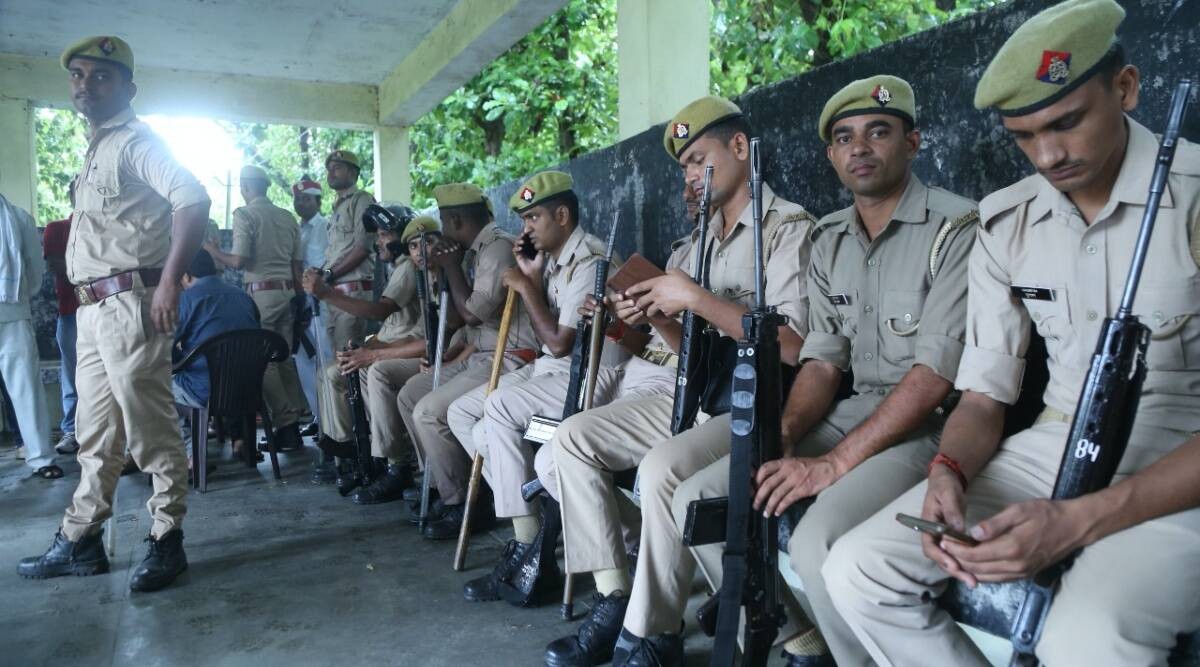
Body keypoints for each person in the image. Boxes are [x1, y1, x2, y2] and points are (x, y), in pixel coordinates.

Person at [823, 2, 1200, 665]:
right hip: (1056, 441)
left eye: (1066, 122)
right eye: (1024, 135)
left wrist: (1078, 520)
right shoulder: (1007, 222)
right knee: (857, 568)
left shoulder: (1193, 196)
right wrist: (949, 471)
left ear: (1125, 88)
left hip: (1182, 456)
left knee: (1087, 635)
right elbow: (982, 397)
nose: (1047, 155)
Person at [663, 76, 977, 666]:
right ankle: (802, 642)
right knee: (699, 499)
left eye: (878, 132)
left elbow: (933, 377)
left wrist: (830, 463)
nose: (860, 148)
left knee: (814, 542)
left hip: (931, 422)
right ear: (831, 155)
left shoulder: (955, 228)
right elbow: (824, 362)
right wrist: (785, 433)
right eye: (845, 138)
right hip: (849, 411)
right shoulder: (831, 238)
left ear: (912, 143)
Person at [544, 96, 816, 667]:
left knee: (661, 473)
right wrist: (650, 315)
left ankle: (654, 631)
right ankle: (621, 602)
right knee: (571, 440)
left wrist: (691, 296)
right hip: (700, 392)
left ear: (739, 148)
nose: (691, 175)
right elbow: (689, 353)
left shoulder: (788, 230)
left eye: (698, 158)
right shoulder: (695, 245)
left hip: (760, 400)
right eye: (685, 166)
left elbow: (794, 348)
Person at [18, 36, 211, 593]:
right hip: (92, 310)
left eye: (101, 76)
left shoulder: (135, 143)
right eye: (78, 75)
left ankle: (167, 536)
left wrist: (169, 281)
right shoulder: (95, 149)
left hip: (130, 304)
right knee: (94, 431)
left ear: (129, 88)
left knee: (150, 426)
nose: (85, 85)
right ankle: (81, 538)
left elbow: (192, 198)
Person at [445, 171, 620, 602]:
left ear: (562, 216)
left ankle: (526, 548)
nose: (526, 229)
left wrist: (525, 286)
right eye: (524, 219)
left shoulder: (591, 260)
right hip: (552, 370)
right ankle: (536, 526)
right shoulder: (553, 260)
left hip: (591, 376)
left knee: (499, 407)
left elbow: (560, 343)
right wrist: (533, 275)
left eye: (534, 218)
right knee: (467, 417)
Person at [395, 182, 538, 540]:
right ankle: (441, 482)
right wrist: (447, 269)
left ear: (456, 220)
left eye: (444, 222)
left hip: (510, 357)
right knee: (411, 394)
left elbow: (473, 314)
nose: (443, 229)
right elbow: (460, 319)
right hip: (478, 353)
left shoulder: (497, 248)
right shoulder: (472, 251)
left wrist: (452, 267)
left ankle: (465, 502)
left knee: (429, 412)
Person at [303, 208, 432, 503]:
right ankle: (353, 452)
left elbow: (379, 311)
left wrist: (326, 294)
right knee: (333, 371)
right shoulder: (397, 267)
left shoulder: (408, 268)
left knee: (366, 371)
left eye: (385, 235)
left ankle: (390, 462)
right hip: (393, 343)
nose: (379, 242)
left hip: (407, 349)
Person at [204, 165, 306, 451]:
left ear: (246, 187)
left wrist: (212, 251)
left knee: (263, 360)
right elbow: (297, 265)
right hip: (288, 294)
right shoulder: (287, 217)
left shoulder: (244, 214)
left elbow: (239, 261)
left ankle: (285, 424)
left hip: (262, 296)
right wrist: (300, 299)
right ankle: (294, 422)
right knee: (283, 358)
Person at [311, 150, 376, 481]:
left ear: (354, 172)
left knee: (346, 371)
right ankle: (339, 448)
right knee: (332, 372)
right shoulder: (336, 208)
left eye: (338, 167)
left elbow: (363, 247)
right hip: (333, 296)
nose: (331, 172)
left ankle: (356, 451)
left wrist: (329, 274)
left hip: (351, 294)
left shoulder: (362, 200)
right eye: (329, 168)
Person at [172, 249, 259, 460]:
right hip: (248, 389)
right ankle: (241, 441)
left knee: (156, 389)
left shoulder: (187, 299)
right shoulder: (243, 296)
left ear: (186, 275)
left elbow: (165, 346)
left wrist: (178, 362)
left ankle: (190, 457)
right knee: (230, 368)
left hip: (204, 392)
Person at [0, 194, 57, 478]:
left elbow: (35, 269)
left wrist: (18, 297)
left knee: (26, 389)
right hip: (14, 308)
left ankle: (42, 458)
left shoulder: (19, 218)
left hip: (12, 314)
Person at [292, 178, 329, 436]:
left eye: (306, 198)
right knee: (304, 362)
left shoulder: (325, 227)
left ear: (318, 201)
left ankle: (334, 421)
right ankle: (318, 416)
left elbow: (328, 266)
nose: (301, 203)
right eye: (297, 199)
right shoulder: (295, 230)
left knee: (326, 359)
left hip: (322, 304)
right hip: (300, 305)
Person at [43, 213, 81, 455]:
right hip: (71, 312)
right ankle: (71, 430)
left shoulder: (107, 226)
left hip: (108, 310)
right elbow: (56, 265)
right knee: (71, 374)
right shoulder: (57, 228)